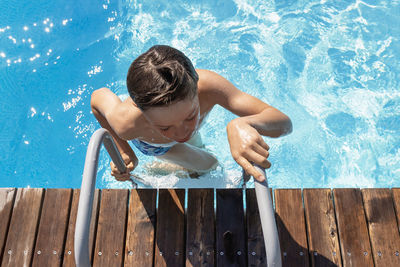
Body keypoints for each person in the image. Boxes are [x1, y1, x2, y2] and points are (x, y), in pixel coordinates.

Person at [90, 45, 292, 182]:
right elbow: (97, 100)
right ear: (140, 111)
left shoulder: (209, 87)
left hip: (168, 128)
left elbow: (284, 123)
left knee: (198, 148)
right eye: (165, 127)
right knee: (210, 165)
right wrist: (125, 151)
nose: (181, 132)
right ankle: (156, 168)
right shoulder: (127, 123)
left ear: (197, 90)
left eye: (190, 115)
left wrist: (244, 124)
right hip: (156, 146)